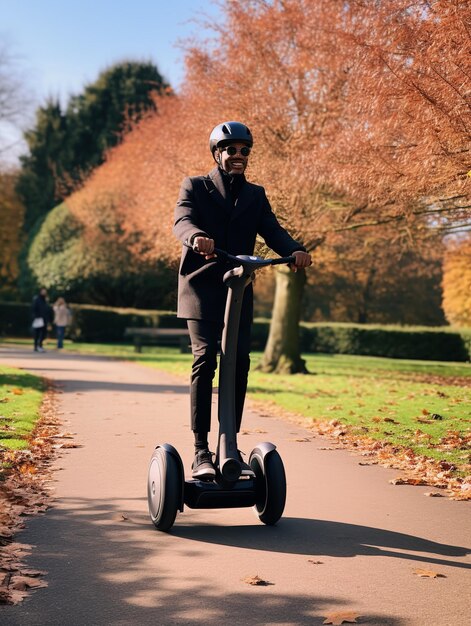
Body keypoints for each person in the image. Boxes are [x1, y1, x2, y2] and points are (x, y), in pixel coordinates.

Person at [173, 121, 312, 480]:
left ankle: (228, 442)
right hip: (202, 287)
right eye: (231, 150)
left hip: (238, 286)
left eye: (244, 150)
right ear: (217, 153)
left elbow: (272, 229)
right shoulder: (196, 186)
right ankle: (201, 450)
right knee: (206, 359)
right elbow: (182, 221)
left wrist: (294, 250)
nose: (238, 156)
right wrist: (196, 237)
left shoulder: (255, 194)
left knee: (239, 362)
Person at [31, 287, 52, 353]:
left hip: (44, 319)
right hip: (38, 319)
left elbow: (47, 310)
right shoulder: (37, 299)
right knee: (37, 333)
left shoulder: (46, 300)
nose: (44, 293)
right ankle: (36, 346)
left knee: (43, 333)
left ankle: (40, 345)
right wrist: (35, 317)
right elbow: (34, 309)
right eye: (43, 291)